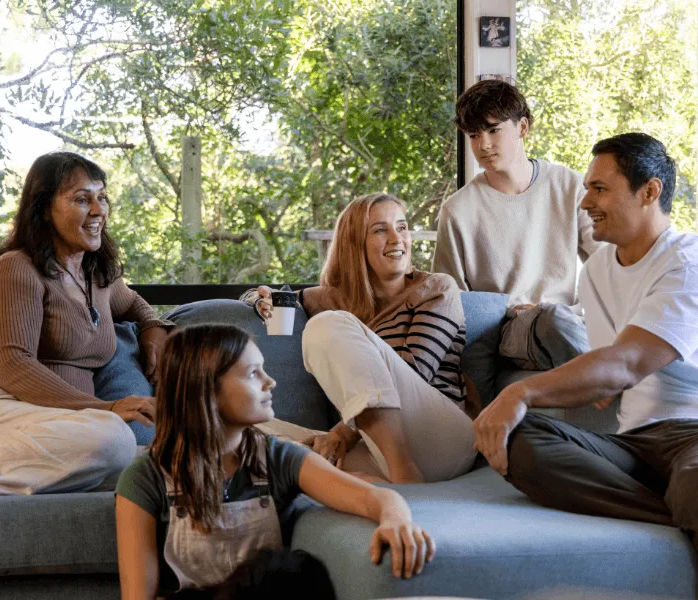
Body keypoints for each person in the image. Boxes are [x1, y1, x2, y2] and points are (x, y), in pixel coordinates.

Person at [474, 133, 698, 600]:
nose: (585, 202)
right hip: (640, 443)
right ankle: (688, 509)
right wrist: (591, 379)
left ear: (650, 191)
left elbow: (623, 366)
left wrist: (519, 391)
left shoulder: (691, 266)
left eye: (599, 189)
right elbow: (607, 382)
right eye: (587, 189)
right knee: (518, 441)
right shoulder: (599, 271)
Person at [115, 324, 435, 599]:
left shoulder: (278, 457)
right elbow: (138, 596)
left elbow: (374, 497)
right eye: (253, 373)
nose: (270, 381)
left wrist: (396, 521)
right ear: (205, 389)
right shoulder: (144, 478)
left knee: (290, 573)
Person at [0, 151, 172, 497]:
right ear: (43, 209)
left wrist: (152, 327)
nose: (98, 210)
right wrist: (108, 408)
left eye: (102, 197)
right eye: (82, 199)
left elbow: (132, 303)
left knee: (159, 465)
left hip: (60, 420)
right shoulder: (15, 268)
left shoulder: (96, 273)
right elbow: (15, 367)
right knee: (115, 439)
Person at [246, 193, 477, 484]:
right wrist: (260, 299)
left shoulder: (436, 289)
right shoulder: (334, 298)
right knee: (242, 431)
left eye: (402, 227)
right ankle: (347, 477)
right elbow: (268, 298)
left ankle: (403, 474)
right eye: (380, 230)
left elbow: (416, 371)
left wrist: (342, 433)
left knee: (324, 325)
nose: (397, 238)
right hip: (372, 448)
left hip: (442, 440)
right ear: (354, 244)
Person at [432, 79, 602, 372]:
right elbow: (451, 300)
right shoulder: (458, 210)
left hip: (568, 320)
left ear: (522, 127)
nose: (483, 145)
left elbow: (608, 265)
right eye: (474, 135)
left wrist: (581, 312)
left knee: (565, 321)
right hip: (509, 330)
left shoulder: (570, 186)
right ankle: (607, 378)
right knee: (553, 322)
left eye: (493, 130)